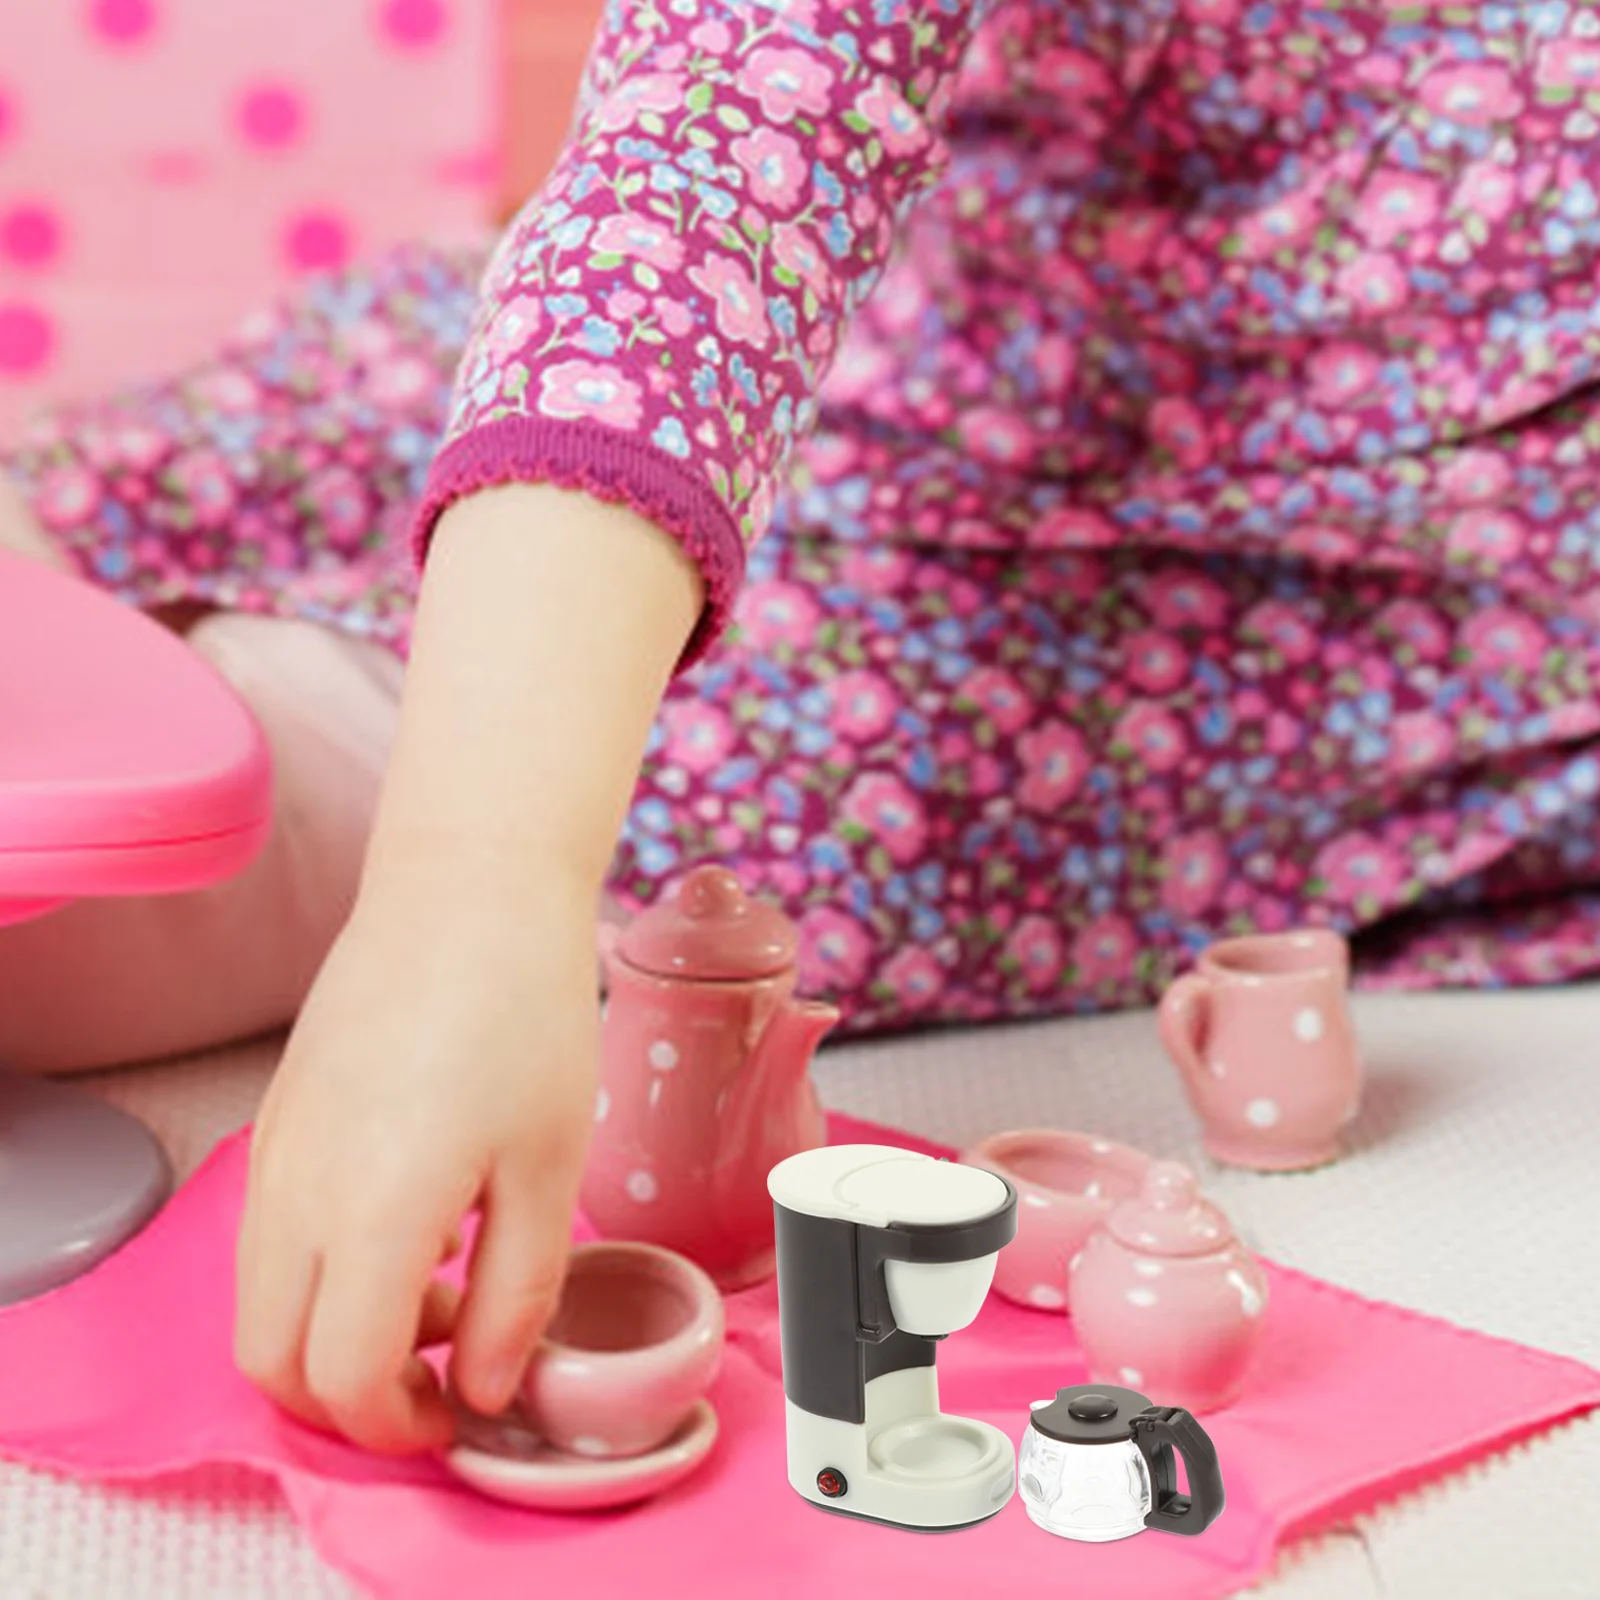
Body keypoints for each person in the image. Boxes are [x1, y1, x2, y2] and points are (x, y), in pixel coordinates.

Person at [3, 0, 1598, 1456]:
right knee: (252, 455)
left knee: (359, 831)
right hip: (751, 346)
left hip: (1230, 683)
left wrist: (446, 885)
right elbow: (722, 144)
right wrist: (468, 883)